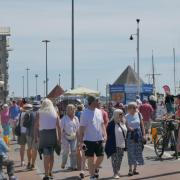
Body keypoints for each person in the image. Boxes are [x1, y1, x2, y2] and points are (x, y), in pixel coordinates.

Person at [79, 96, 107, 180]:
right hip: (88, 140)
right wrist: (81, 141)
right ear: (91, 102)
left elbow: (102, 124)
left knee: (101, 157)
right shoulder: (85, 113)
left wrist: (105, 134)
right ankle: (92, 176)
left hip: (99, 139)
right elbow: (81, 128)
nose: (98, 102)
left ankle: (94, 169)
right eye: (96, 101)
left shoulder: (99, 111)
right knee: (90, 158)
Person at [35, 98, 61, 180]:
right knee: (52, 155)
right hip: (53, 135)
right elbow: (59, 127)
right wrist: (59, 139)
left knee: (46, 156)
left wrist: (36, 137)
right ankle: (50, 171)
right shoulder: (55, 113)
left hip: (43, 136)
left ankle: (46, 174)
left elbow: (36, 126)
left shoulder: (39, 113)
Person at [105, 109, 127, 179]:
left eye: (122, 114)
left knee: (120, 159)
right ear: (116, 115)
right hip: (114, 144)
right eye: (120, 114)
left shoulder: (123, 122)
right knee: (115, 159)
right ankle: (115, 173)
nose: (121, 116)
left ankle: (117, 170)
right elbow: (107, 133)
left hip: (122, 144)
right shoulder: (111, 124)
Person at [126, 102, 146, 176]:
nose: (135, 109)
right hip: (130, 135)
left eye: (136, 107)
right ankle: (130, 169)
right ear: (129, 109)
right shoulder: (126, 116)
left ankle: (135, 169)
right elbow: (125, 126)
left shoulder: (139, 114)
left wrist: (144, 135)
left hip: (138, 135)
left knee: (137, 151)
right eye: (134, 108)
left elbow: (142, 125)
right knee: (130, 152)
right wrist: (128, 128)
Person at [61, 104, 79, 170]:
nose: (73, 110)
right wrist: (60, 138)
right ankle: (63, 162)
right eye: (70, 109)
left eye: (73, 109)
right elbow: (61, 129)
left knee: (73, 151)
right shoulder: (64, 118)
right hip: (66, 137)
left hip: (74, 137)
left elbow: (78, 129)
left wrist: (79, 139)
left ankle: (73, 166)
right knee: (66, 151)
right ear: (67, 110)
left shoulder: (76, 118)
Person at [26, 101, 41, 170]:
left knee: (29, 148)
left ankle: (29, 162)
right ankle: (33, 164)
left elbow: (24, 124)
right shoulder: (40, 113)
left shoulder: (28, 112)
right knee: (34, 149)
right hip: (37, 134)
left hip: (28, 133)